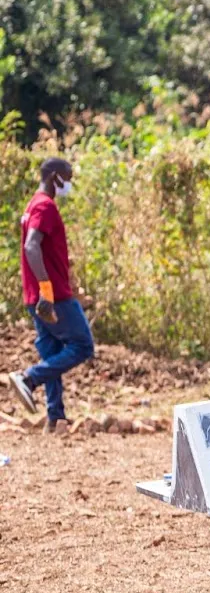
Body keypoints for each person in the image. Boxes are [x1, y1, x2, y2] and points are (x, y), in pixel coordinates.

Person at [8, 158, 94, 430]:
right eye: (67, 177)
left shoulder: (33, 205)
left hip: (37, 296)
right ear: (55, 177)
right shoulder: (45, 206)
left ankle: (55, 417)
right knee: (83, 345)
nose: (69, 183)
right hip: (52, 296)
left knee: (53, 352)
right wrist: (48, 289)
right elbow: (31, 248)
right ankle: (29, 378)